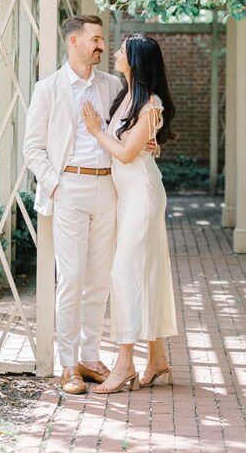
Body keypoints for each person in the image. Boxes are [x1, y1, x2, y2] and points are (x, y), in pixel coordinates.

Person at [22, 14, 157, 394]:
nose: (101, 45)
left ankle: (90, 357)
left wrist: (149, 144)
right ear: (74, 42)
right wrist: (56, 185)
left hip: (108, 190)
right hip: (69, 189)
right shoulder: (47, 89)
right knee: (72, 278)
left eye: (102, 40)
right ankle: (67, 366)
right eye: (95, 39)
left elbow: (129, 131)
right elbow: (32, 148)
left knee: (100, 280)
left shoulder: (113, 85)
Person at [81, 33, 178, 395]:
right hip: (129, 194)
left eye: (122, 50)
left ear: (135, 60)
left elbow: (123, 154)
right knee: (147, 271)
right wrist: (141, 143)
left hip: (143, 193)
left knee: (124, 274)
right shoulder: (127, 97)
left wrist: (95, 132)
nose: (116, 52)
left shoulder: (150, 103)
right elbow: (133, 145)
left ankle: (124, 364)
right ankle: (157, 360)